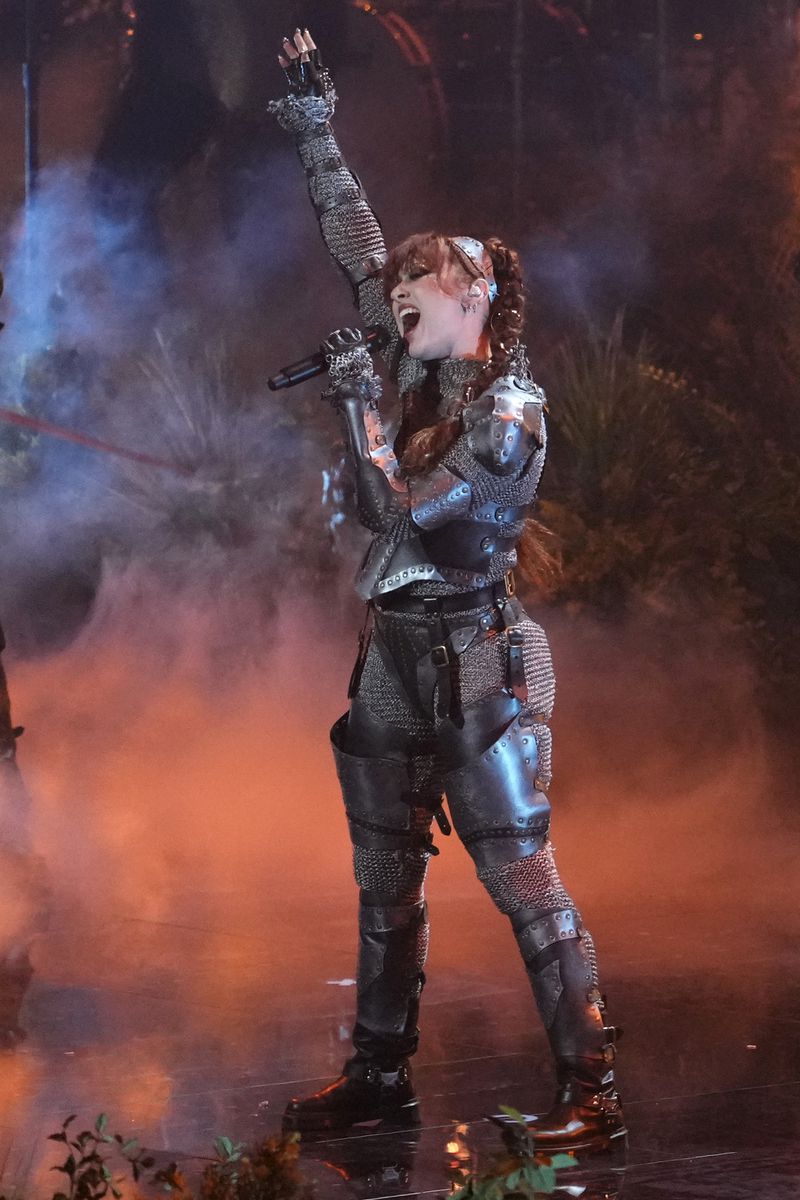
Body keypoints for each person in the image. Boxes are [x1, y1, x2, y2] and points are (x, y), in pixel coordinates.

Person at [268, 29, 625, 1154]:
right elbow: (354, 240)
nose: (402, 295)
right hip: (393, 652)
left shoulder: (503, 414)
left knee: (522, 881)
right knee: (383, 880)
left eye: (424, 285)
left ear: (474, 301)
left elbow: (398, 509)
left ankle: (590, 1089)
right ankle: (378, 1074)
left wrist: (350, 403)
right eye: (404, 287)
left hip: (475, 655)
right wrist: (320, 131)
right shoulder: (410, 365)